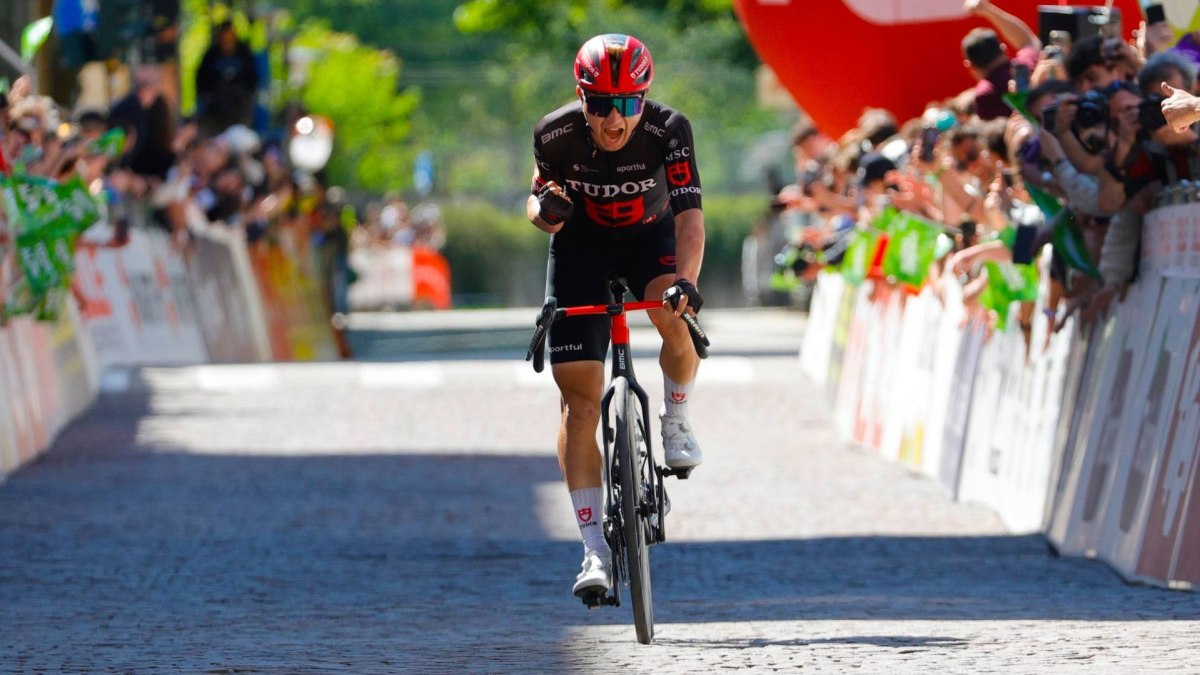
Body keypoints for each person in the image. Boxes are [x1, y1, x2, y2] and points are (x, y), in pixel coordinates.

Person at [527, 33, 705, 599]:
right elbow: (537, 201)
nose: (612, 117)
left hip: (649, 242)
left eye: (626, 103)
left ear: (643, 99)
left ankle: (675, 418)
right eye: (600, 103)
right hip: (580, 251)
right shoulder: (552, 135)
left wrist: (686, 283)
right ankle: (592, 551)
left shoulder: (668, 129)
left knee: (674, 319)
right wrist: (544, 213)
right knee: (579, 405)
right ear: (581, 98)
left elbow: (690, 220)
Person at [961, 0, 1041, 121]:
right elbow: (1028, 40)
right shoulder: (1028, 63)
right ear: (1004, 49)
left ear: (970, 65)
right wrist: (989, 10)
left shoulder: (984, 95)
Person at [195, 21, 259, 135]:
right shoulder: (211, 55)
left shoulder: (244, 53)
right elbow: (201, 80)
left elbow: (252, 79)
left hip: (240, 106)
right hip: (215, 108)